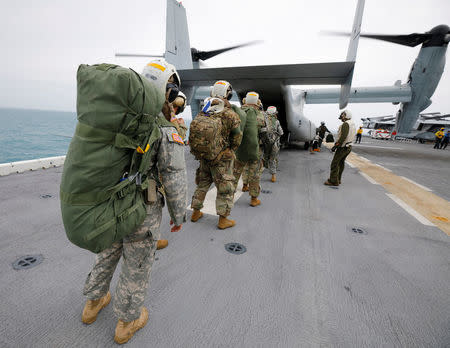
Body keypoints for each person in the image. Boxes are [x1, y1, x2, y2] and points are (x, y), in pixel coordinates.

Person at [81, 59, 187, 345]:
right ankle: (127, 323)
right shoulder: (166, 129)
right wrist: (178, 217)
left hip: (111, 202)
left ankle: (93, 303)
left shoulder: (119, 117)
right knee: (136, 263)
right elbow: (174, 175)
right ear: (169, 90)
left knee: (107, 251)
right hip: (143, 208)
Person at [190, 81, 242, 229]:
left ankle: (196, 212)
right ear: (228, 94)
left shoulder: (204, 110)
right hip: (222, 158)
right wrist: (231, 149)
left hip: (205, 156)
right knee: (225, 187)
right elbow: (237, 135)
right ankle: (223, 220)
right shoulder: (230, 114)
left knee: (203, 182)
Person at [233, 92, 265, 206]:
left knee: (235, 173)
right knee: (254, 174)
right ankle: (254, 199)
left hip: (238, 149)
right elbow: (264, 127)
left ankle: (229, 195)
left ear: (245, 101)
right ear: (257, 102)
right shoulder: (259, 114)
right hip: (253, 149)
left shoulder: (237, 112)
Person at [324, 109, 356, 186]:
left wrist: (336, 145)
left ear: (346, 115)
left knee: (334, 164)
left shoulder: (345, 124)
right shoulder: (352, 123)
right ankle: (338, 179)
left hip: (343, 147)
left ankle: (333, 181)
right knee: (341, 163)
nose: (341, 117)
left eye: (343, 115)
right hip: (349, 146)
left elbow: (343, 136)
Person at [263, 106, 284, 182]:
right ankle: (273, 176)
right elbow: (281, 133)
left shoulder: (264, 120)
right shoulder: (277, 121)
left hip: (265, 143)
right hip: (274, 144)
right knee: (272, 159)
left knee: (263, 157)